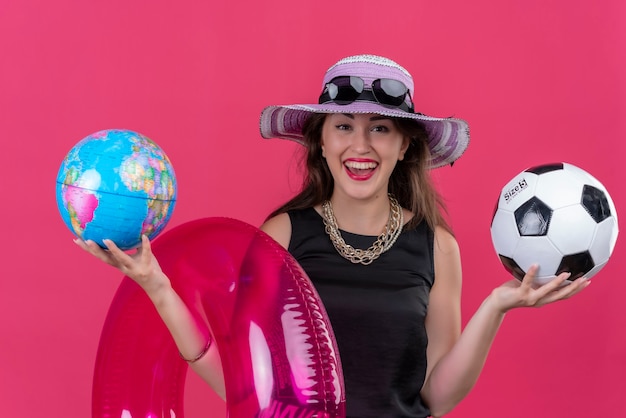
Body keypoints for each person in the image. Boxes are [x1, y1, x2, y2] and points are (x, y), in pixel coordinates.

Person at [76, 54, 589, 418]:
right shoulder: (282, 236)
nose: (359, 145)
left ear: (406, 146)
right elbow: (242, 382)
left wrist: (495, 306)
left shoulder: (437, 246)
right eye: (343, 126)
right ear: (319, 141)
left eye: (380, 128)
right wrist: (158, 288)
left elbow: (435, 398)